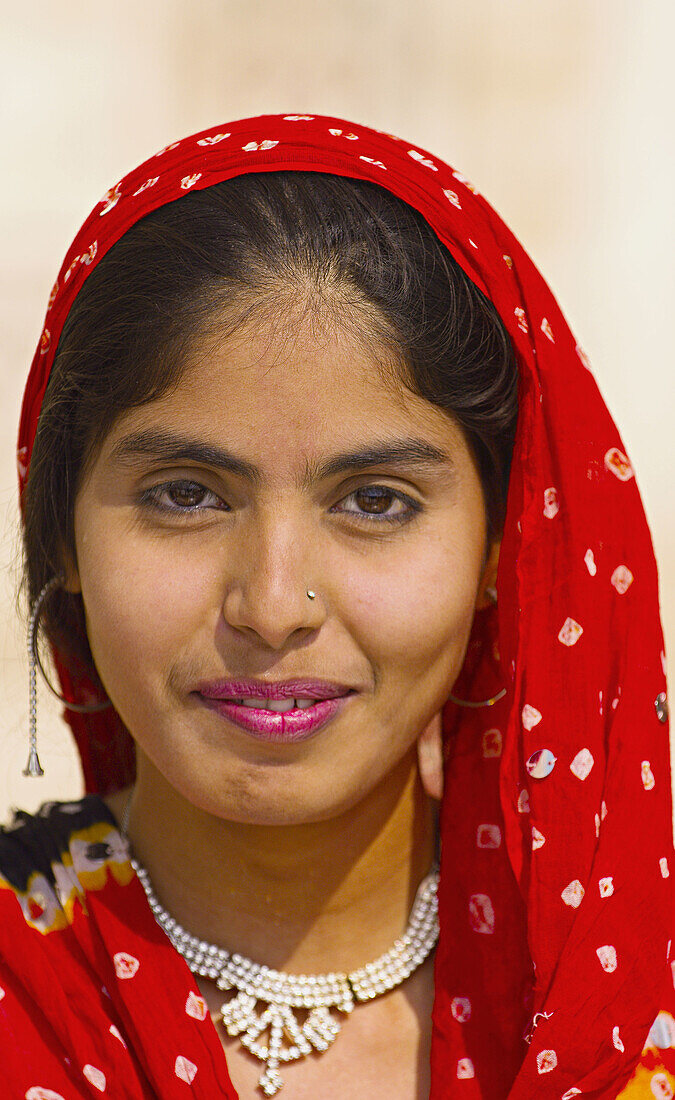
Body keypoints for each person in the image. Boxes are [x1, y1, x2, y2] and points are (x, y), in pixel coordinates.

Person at [0, 113, 672, 1099]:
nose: (275, 606)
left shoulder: (627, 993)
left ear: (500, 548)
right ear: (59, 532)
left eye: (375, 502)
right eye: (185, 493)